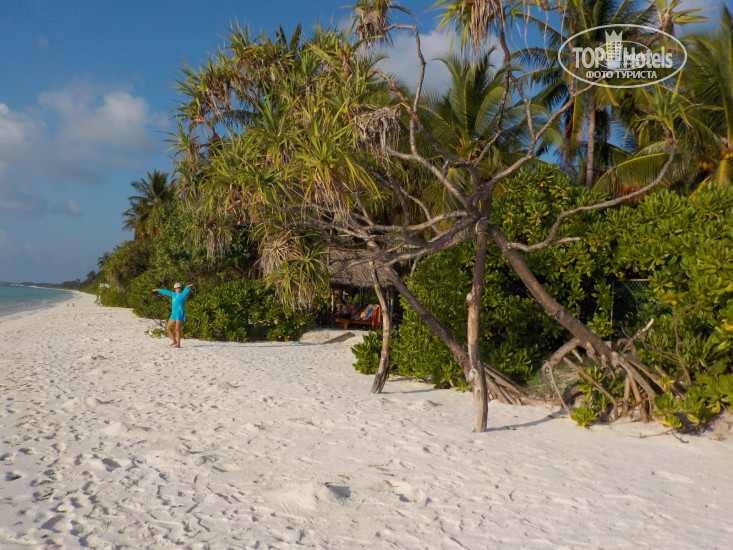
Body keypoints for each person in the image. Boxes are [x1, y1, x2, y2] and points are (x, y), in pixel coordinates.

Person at [152, 283, 193, 348]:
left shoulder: (182, 294)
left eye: (179, 288)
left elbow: (186, 290)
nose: (178, 289)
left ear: (181, 289)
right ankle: (174, 341)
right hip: (174, 314)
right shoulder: (173, 294)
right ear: (174, 289)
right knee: (168, 328)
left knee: (177, 329)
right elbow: (166, 292)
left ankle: (178, 344)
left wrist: (188, 287)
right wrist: (158, 290)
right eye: (176, 288)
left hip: (179, 313)